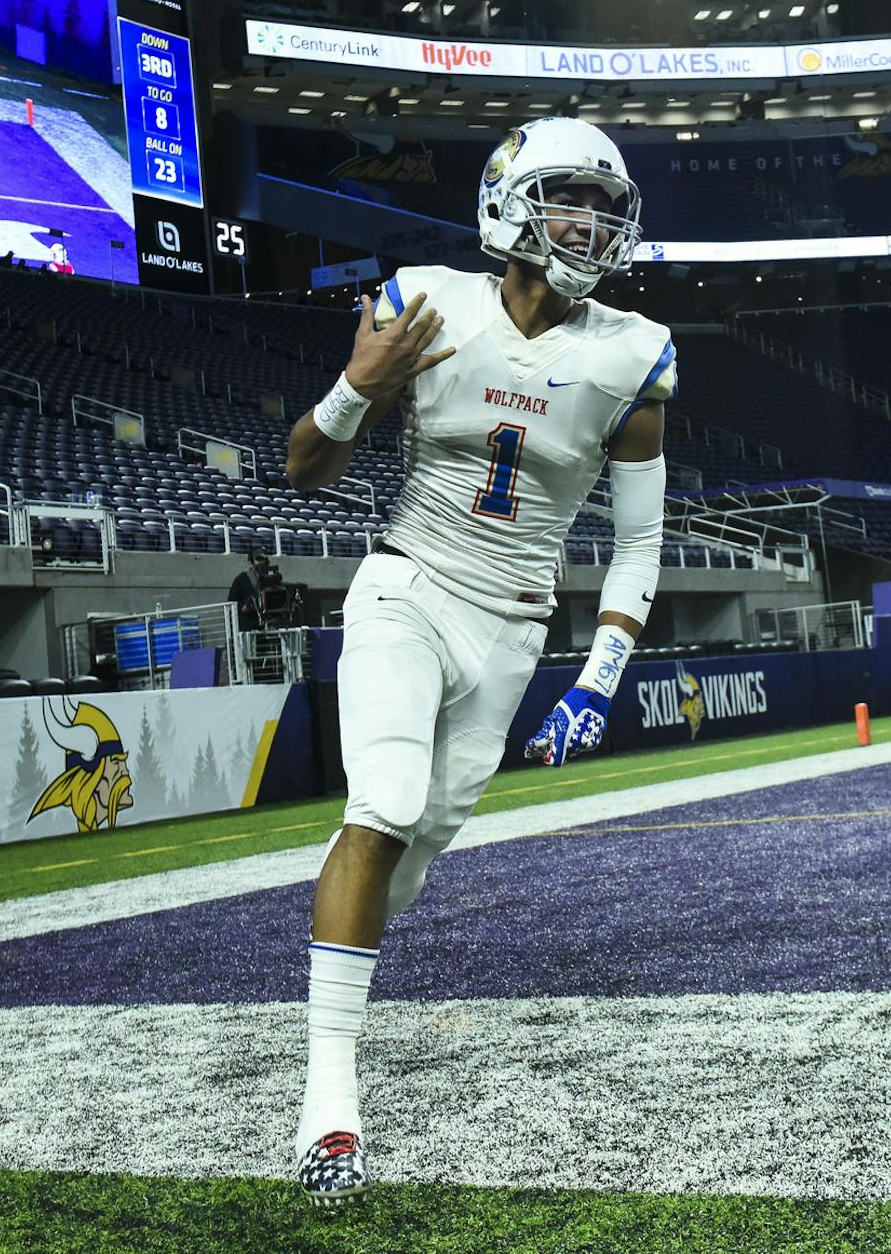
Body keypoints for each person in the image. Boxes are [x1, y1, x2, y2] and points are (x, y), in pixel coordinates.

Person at [282, 116, 661, 1207]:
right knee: (386, 800)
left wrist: (598, 677)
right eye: (567, 198)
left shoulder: (635, 352)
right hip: (407, 584)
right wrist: (354, 387)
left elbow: (637, 539)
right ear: (509, 204)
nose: (588, 221)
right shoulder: (423, 299)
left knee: (414, 852)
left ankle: (335, 954)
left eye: (602, 202)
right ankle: (329, 1109)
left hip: (512, 624)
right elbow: (305, 469)